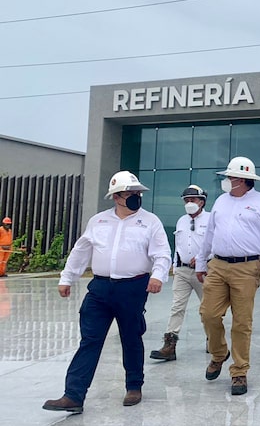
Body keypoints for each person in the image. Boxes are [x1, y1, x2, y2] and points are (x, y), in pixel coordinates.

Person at [43, 171, 171, 413]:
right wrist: (66, 278)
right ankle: (73, 395)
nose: (136, 196)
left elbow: (162, 253)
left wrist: (157, 276)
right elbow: (80, 251)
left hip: (132, 287)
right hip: (100, 288)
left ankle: (134, 386)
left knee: (131, 337)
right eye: (130, 193)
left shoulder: (150, 221)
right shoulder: (98, 221)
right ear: (116, 197)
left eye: (137, 193)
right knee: (90, 339)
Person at [195, 157, 260, 396]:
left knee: (242, 322)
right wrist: (202, 262)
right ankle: (219, 353)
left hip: (248, 267)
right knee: (208, 314)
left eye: (231, 177)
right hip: (218, 265)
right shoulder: (221, 201)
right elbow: (210, 234)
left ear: (243, 180)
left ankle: (239, 371)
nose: (227, 180)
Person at [150, 185, 209, 362]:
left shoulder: (211, 219)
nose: (189, 203)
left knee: (208, 309)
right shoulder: (181, 221)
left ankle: (213, 340)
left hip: (203, 272)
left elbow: (214, 244)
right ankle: (170, 345)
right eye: (186, 200)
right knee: (177, 306)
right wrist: (175, 267)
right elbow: (178, 245)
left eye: (192, 200)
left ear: (202, 201)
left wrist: (201, 258)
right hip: (182, 271)